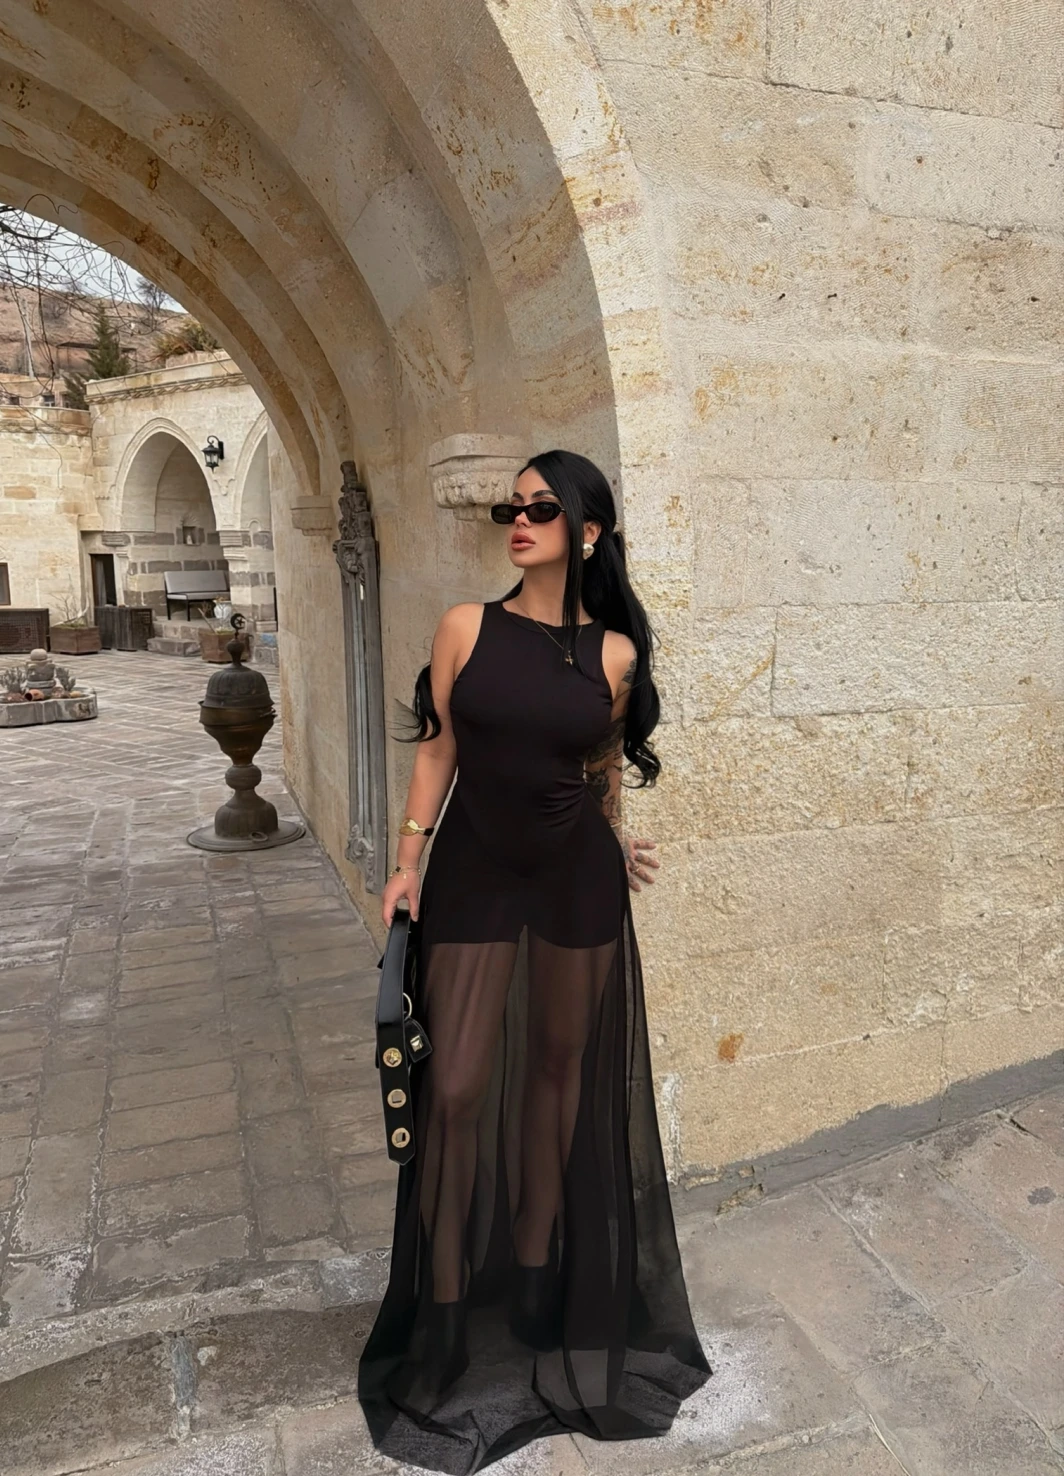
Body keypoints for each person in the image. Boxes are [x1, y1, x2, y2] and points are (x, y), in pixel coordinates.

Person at [358, 449, 713, 1474]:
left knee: (561, 1077)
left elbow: (599, 766)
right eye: (510, 508)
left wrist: (616, 836)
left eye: (541, 508)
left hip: (574, 880)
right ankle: (445, 1314)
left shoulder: (615, 654)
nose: (518, 521)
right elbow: (438, 748)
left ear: (587, 532)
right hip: (473, 873)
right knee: (457, 1089)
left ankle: (535, 1280)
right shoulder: (466, 627)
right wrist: (406, 863)